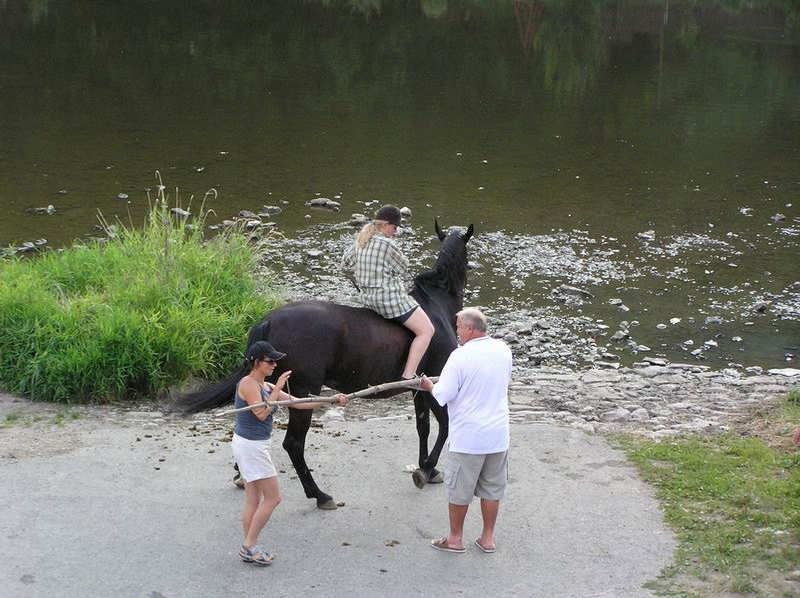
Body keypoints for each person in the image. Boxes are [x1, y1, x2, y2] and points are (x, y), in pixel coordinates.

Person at [232, 340, 349, 566]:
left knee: (254, 498)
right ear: (256, 362)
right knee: (274, 498)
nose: (275, 364)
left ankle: (250, 545)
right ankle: (249, 547)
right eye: (270, 361)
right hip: (251, 447)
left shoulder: (264, 386)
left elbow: (299, 403)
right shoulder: (248, 384)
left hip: (250, 446)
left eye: (276, 361)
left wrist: (331, 400)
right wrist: (277, 389)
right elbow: (261, 414)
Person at [418, 308, 512, 554]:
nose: (457, 331)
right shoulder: (503, 349)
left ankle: (455, 538)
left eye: (459, 326)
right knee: (492, 489)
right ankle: (488, 539)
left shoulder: (459, 356)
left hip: (469, 436)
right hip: (498, 434)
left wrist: (429, 386)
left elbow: (443, 395)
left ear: (470, 329)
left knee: (459, 490)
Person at [341, 204, 434, 380]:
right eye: (395, 227)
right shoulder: (387, 244)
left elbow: (344, 264)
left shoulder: (361, 240)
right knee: (426, 330)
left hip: (367, 299)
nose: (396, 231)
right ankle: (409, 376)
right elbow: (404, 267)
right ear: (385, 224)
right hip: (389, 301)